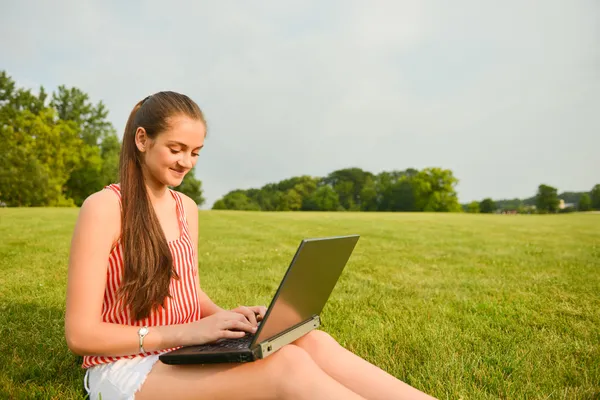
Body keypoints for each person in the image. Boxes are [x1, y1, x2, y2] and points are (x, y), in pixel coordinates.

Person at [65, 91, 436, 400]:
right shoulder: (105, 208)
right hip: (126, 367)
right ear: (142, 139)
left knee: (313, 343)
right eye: (176, 148)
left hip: (180, 351)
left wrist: (232, 320)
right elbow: (81, 335)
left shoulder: (186, 208)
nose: (186, 163)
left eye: (195, 152)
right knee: (288, 367)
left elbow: (185, 290)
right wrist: (187, 332)